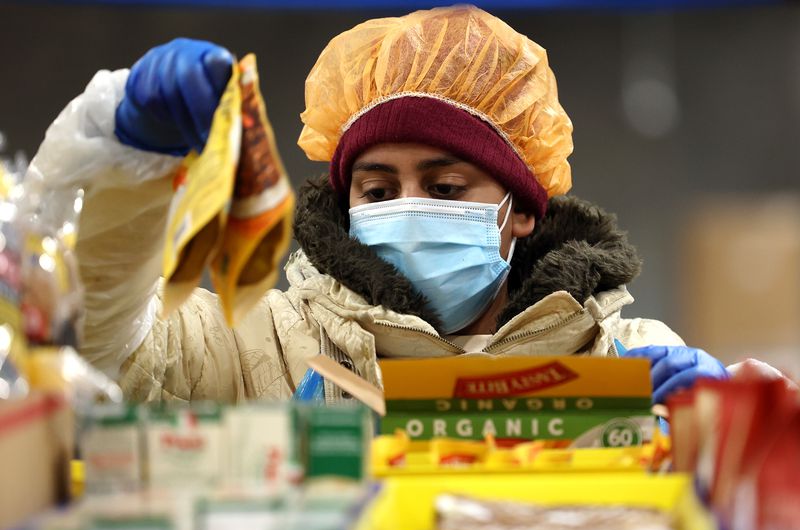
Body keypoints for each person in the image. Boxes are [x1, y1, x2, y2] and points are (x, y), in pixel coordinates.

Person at [26, 5, 752, 404]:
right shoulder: (265, 347)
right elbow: (97, 346)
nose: (407, 209)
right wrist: (128, 159)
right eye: (377, 190)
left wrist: (737, 414)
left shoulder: (626, 359)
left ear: (520, 209)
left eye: (444, 188)